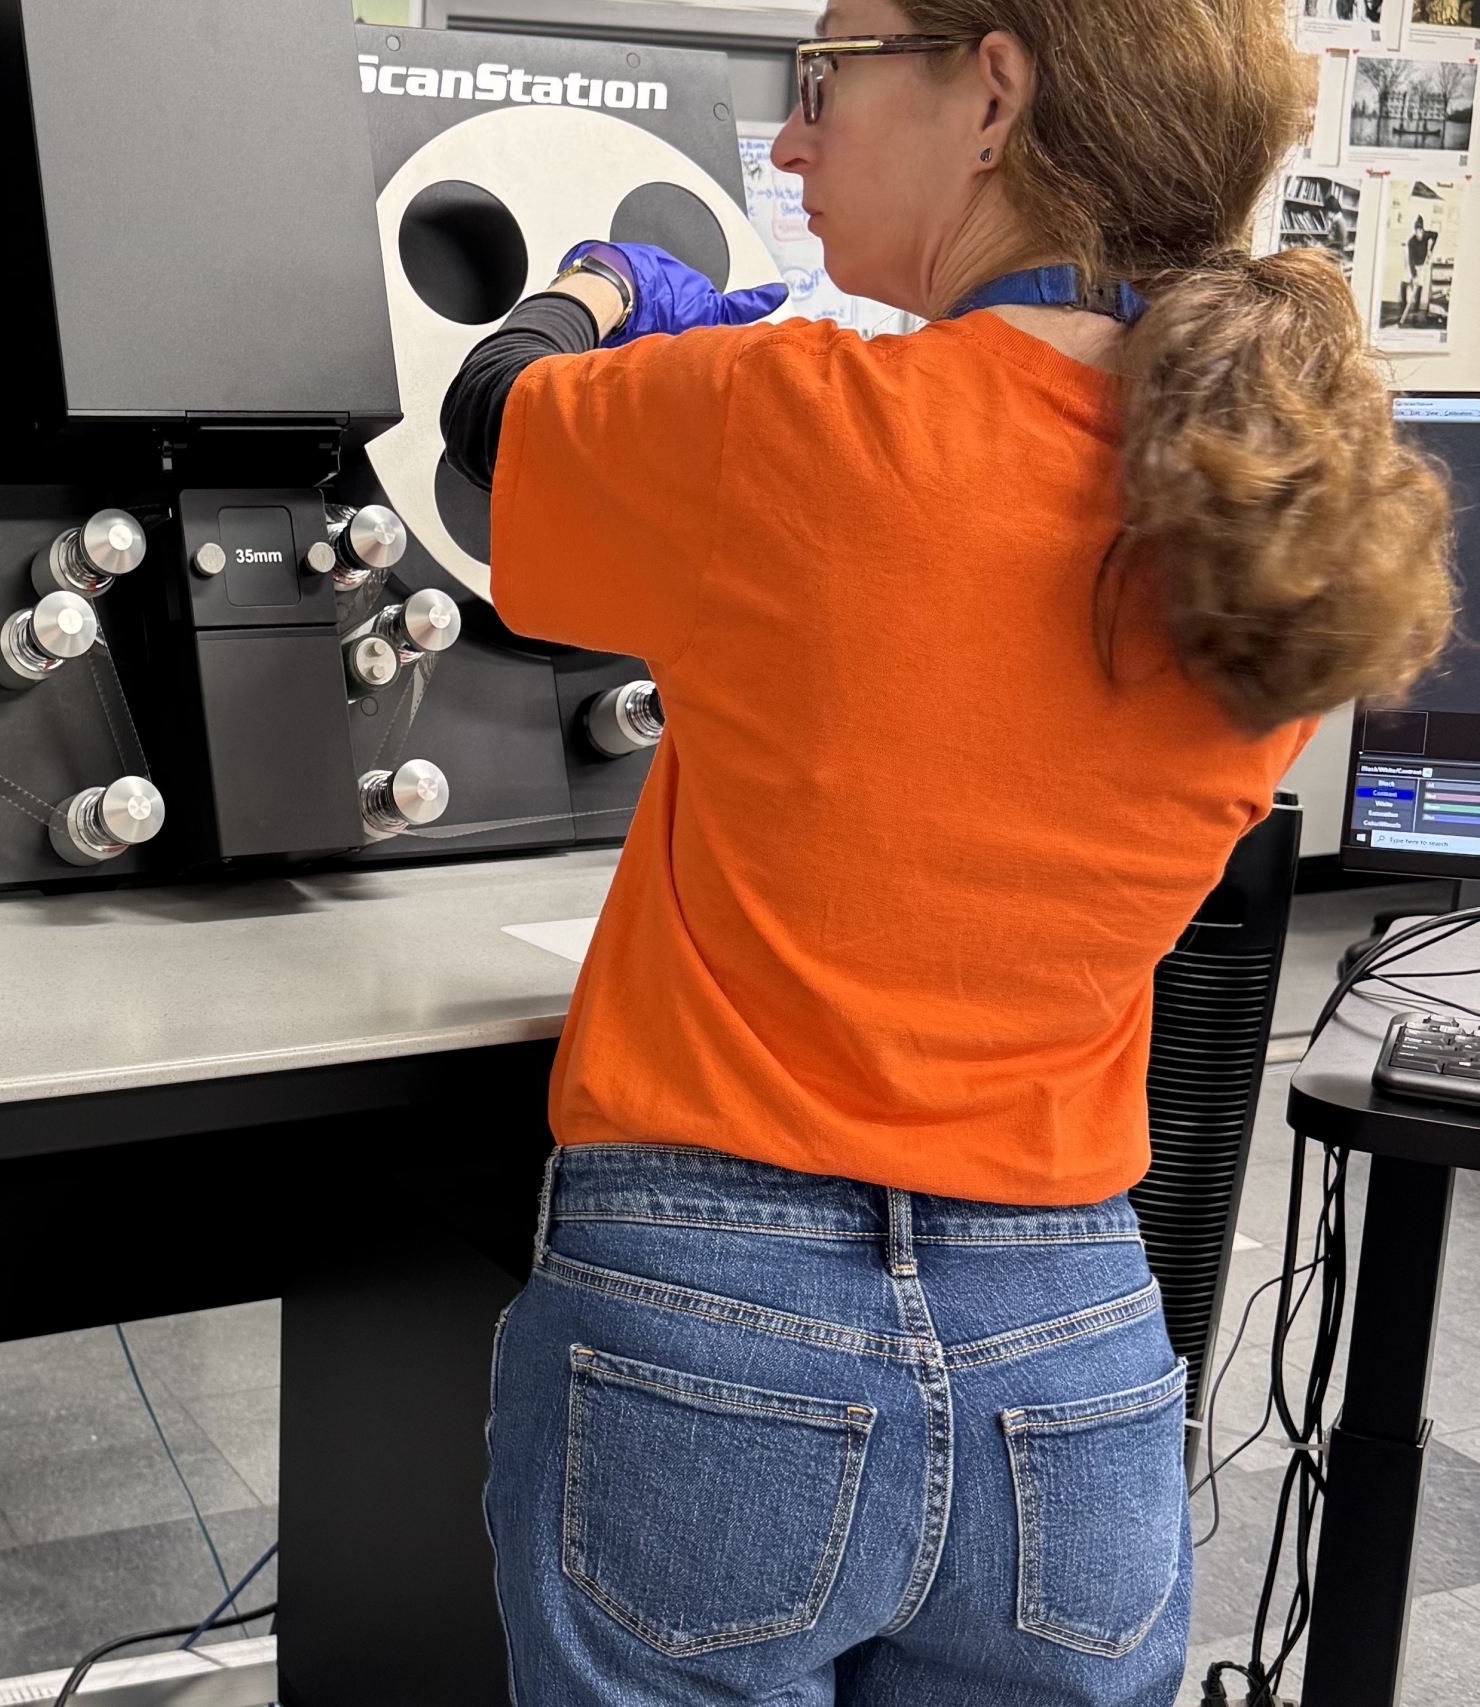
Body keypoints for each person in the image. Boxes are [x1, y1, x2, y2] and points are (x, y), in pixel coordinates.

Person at [441, 2, 1453, 1703]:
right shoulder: (1277, 542)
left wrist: (603, 292)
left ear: (994, 93)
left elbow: (492, 415)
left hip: (712, 1321)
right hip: (1074, 1354)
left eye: (823, 81)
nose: (791, 139)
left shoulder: (782, 418)